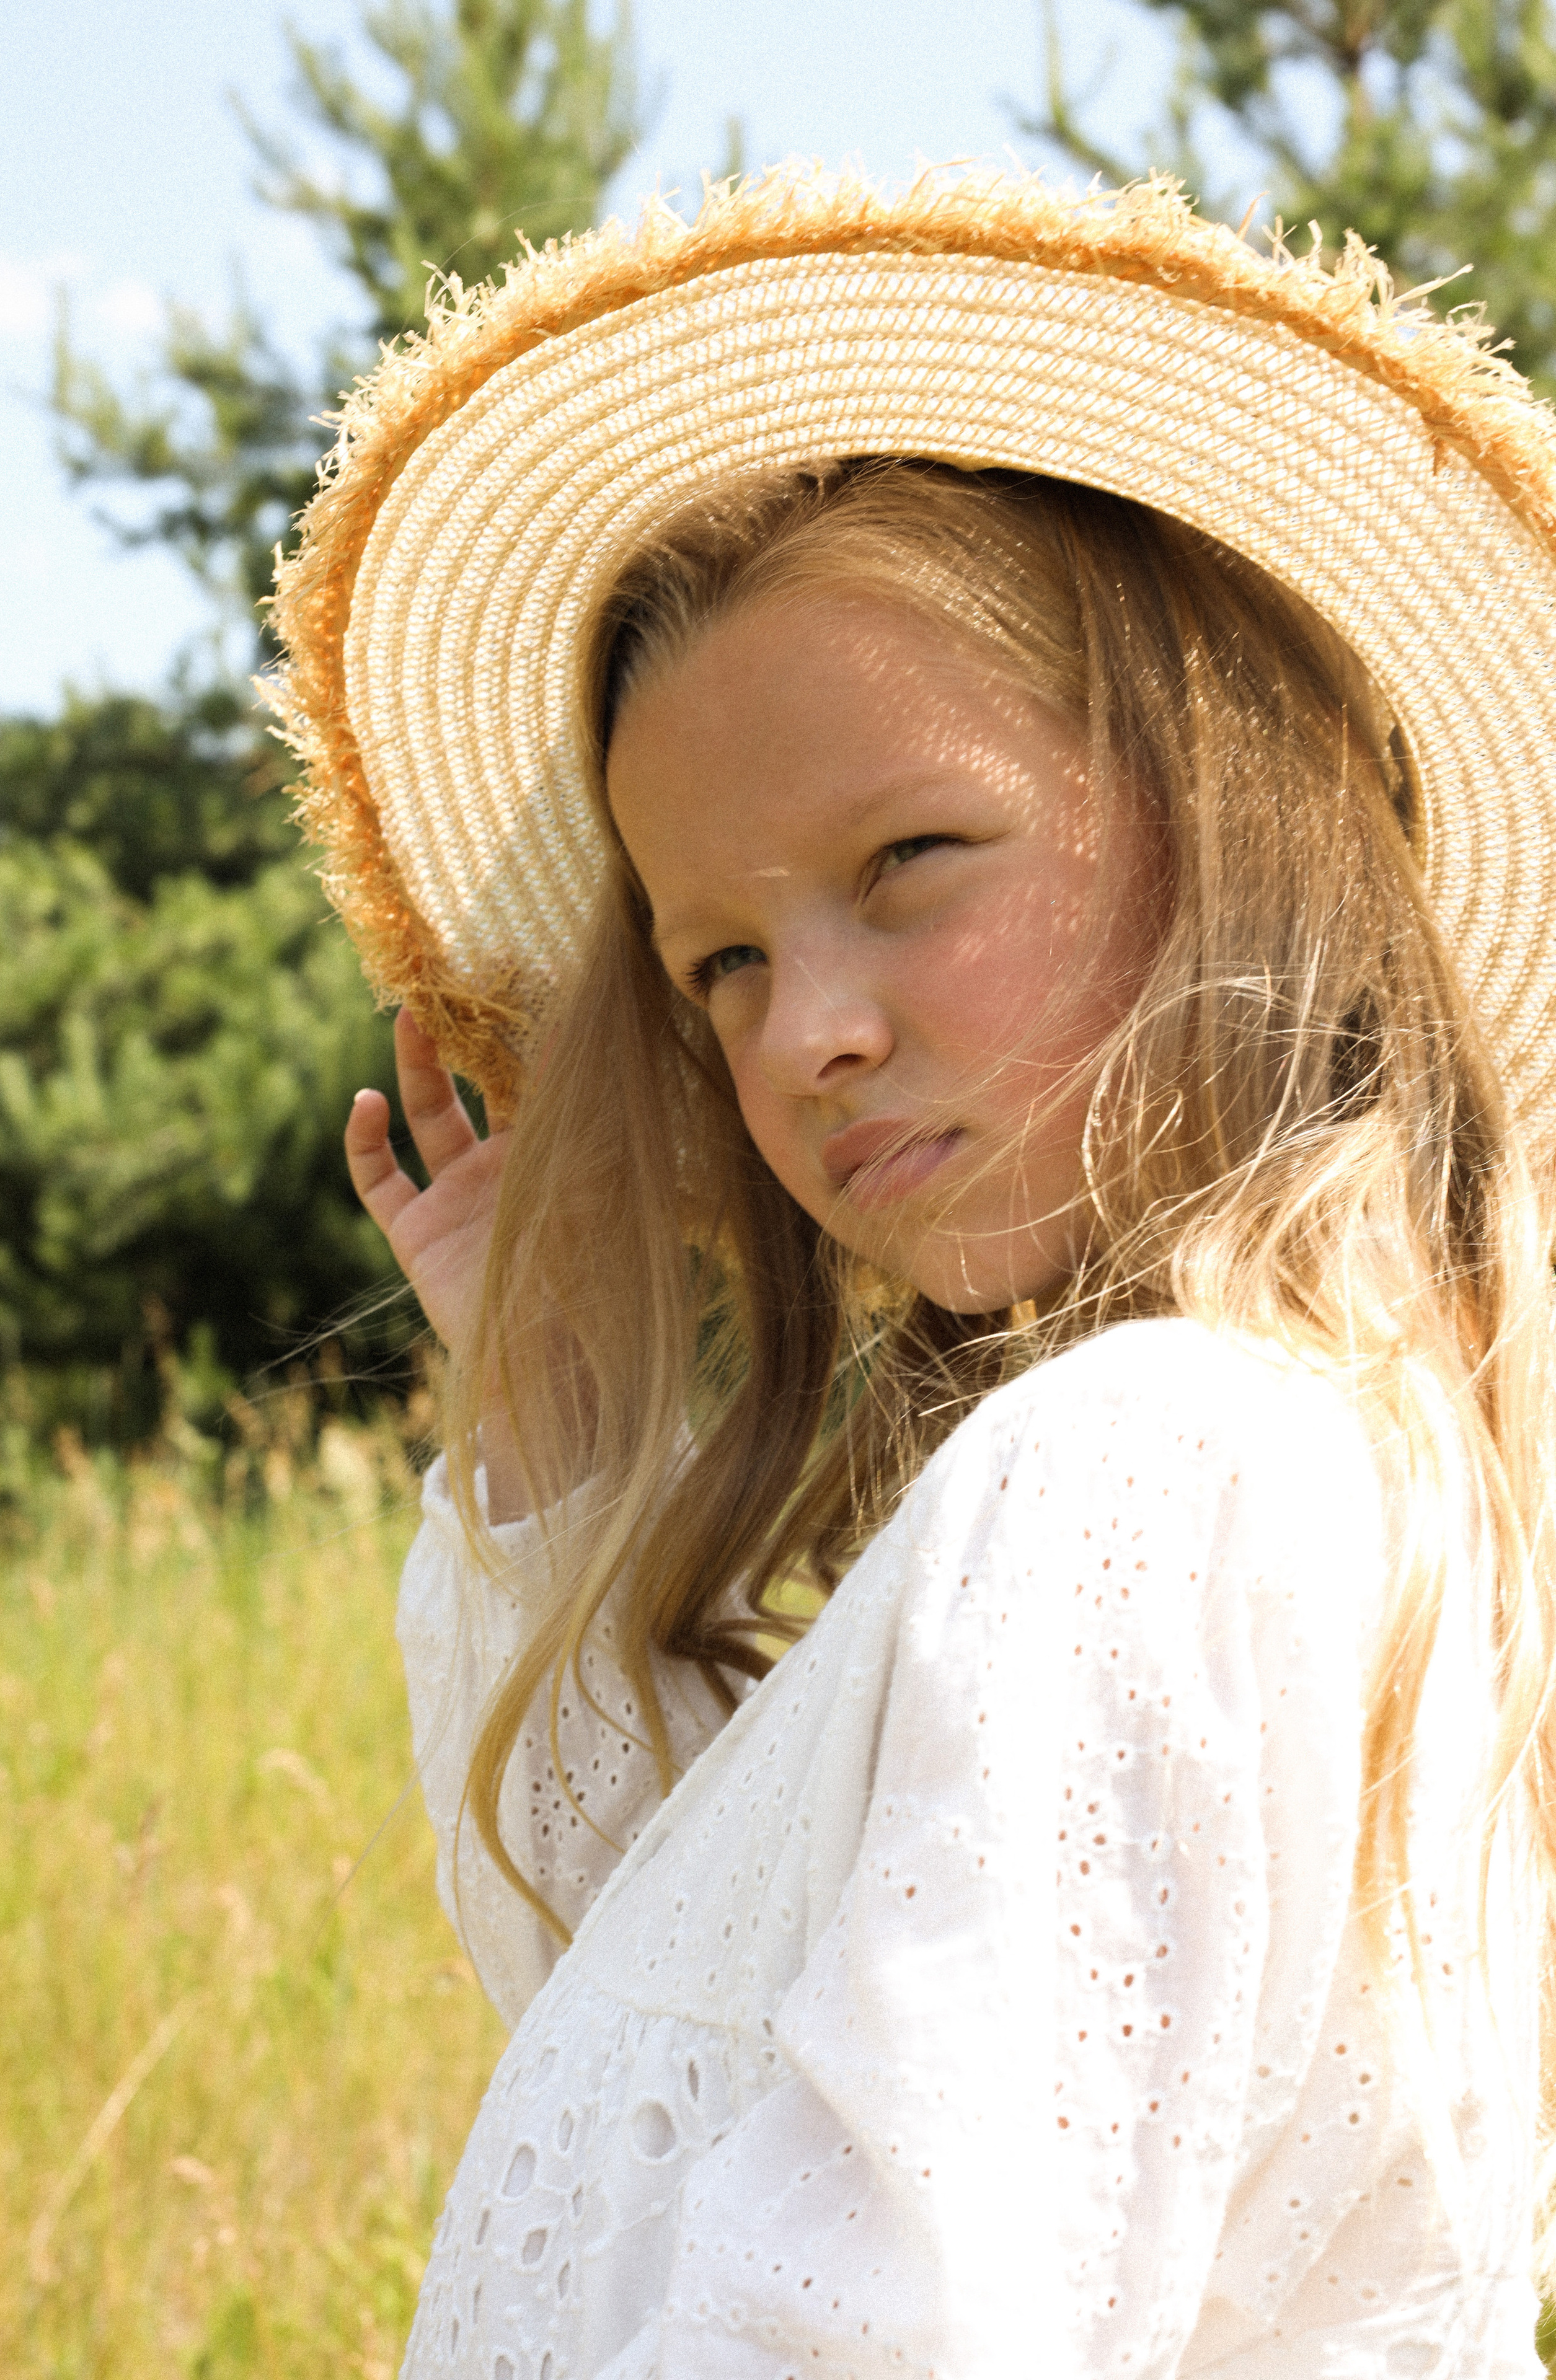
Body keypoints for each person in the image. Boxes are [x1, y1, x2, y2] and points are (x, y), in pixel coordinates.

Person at [273, 169, 1556, 2378]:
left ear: (1230, 819)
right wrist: (561, 1431)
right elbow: (675, 2034)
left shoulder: (1135, 1474)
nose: (802, 1034)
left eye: (909, 859)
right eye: (719, 960)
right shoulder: (1281, 1460)